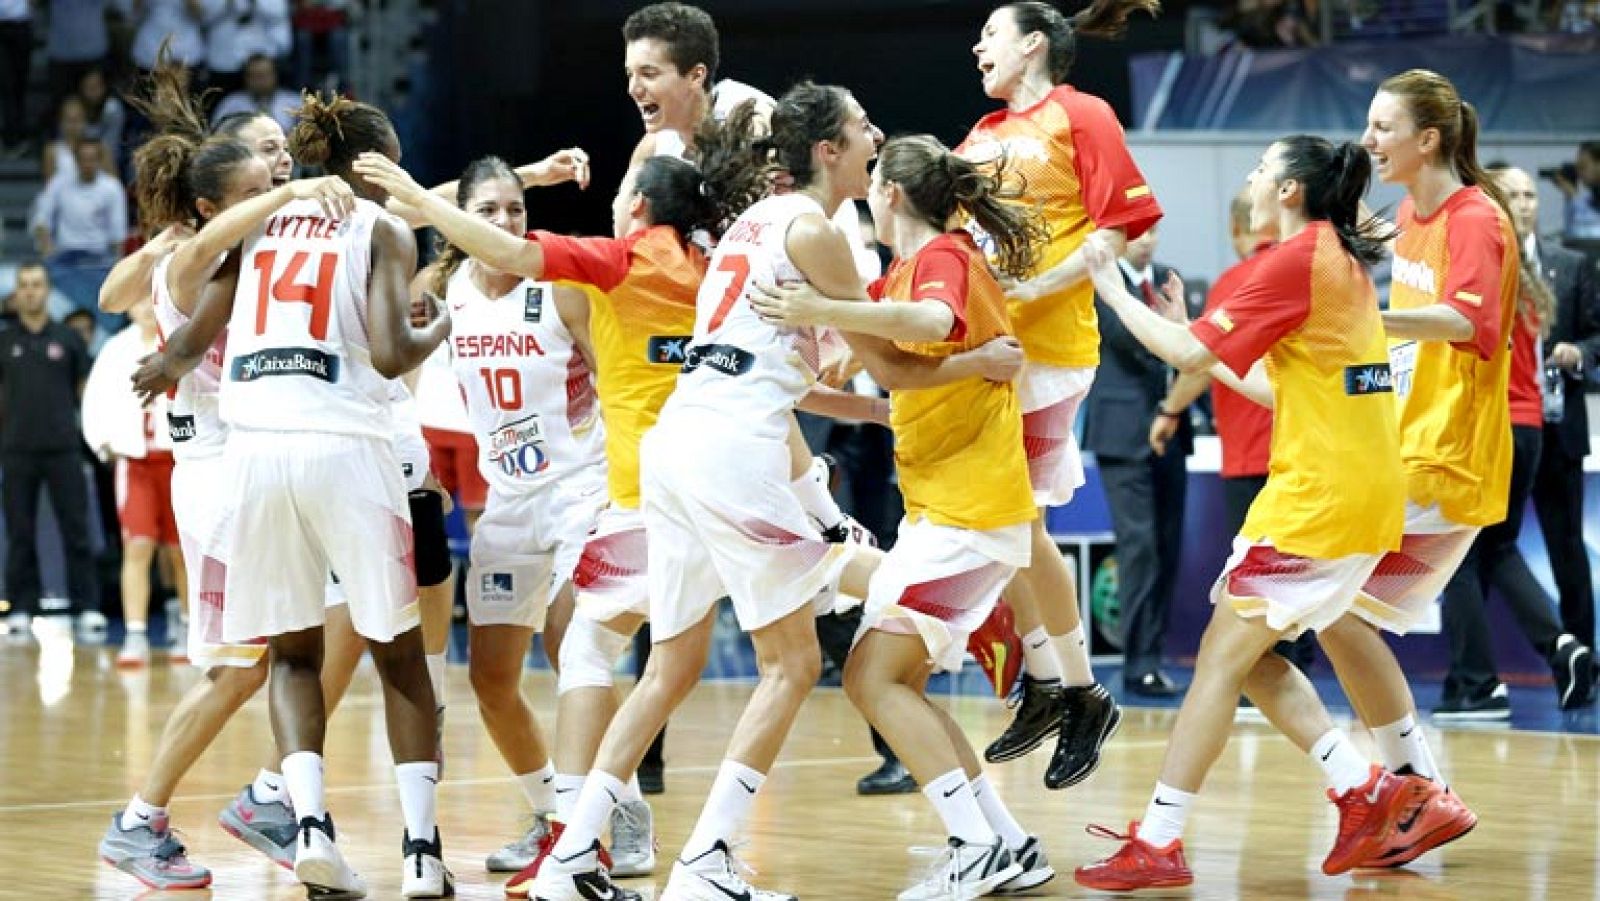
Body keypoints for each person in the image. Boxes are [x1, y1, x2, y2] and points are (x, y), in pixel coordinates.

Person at [353, 106, 785, 896]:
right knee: (490, 680)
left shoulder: (563, 289)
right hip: (508, 502)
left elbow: (623, 371)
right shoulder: (442, 287)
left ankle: (599, 821)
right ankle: (559, 811)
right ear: (465, 222)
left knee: (574, 642)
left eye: (515, 210)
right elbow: (398, 237)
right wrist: (417, 451)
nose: (506, 220)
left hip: (585, 488)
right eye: (490, 210)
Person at [525, 80, 889, 901]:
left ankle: (570, 856)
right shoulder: (817, 229)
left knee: (672, 665)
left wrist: (865, 408)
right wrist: (958, 353)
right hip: (731, 450)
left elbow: (787, 378)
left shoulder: (750, 229)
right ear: (827, 150)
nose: (877, 135)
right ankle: (705, 861)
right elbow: (887, 351)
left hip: (680, 443)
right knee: (792, 662)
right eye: (865, 126)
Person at [1072, 136, 1419, 892]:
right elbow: (1280, 388)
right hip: (1350, 490)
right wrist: (1191, 325)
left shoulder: (1293, 260)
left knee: (1220, 659)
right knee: (1253, 660)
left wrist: (1114, 292)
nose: (1253, 177)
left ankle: (1159, 840)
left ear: (1290, 189)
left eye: (1264, 168)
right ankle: (1364, 788)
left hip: (1320, 499)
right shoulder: (1334, 259)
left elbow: (1185, 355)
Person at [749, 133, 1052, 897]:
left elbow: (926, 322)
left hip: (973, 511)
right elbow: (884, 369)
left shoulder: (942, 258)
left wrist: (823, 304)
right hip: (946, 510)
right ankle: (1005, 843)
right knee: (891, 680)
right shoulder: (897, 277)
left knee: (871, 676)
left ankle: (977, 843)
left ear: (888, 193)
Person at [166, 92, 450, 898]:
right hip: (347, 450)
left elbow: (197, 331)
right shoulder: (383, 227)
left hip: (254, 454)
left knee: (292, 654)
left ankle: (314, 826)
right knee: (400, 658)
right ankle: (422, 853)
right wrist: (443, 326)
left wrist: (168, 363)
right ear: (372, 163)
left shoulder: (255, 222)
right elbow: (394, 355)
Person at [958, 0, 1161, 787]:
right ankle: (1054, 683)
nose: (978, 46)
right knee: (999, 519)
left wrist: (1029, 285)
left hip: (1051, 349)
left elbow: (1118, 232)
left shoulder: (1083, 114)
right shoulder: (979, 136)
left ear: (1033, 44)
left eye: (992, 33)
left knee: (1011, 519)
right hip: (987, 347)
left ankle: (1074, 688)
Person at [1436, 164, 1597, 717]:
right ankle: (1560, 648)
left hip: (1495, 424)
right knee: (1494, 548)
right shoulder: (1519, 270)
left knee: (1461, 552)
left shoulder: (1489, 265)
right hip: (1525, 424)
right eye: (1516, 194)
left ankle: (1478, 685)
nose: (1527, 202)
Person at [1082, 223, 1190, 696]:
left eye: (1153, 231)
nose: (1146, 240)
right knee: (1138, 546)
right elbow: (1133, 340)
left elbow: (1192, 352)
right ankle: (1137, 662)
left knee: (1167, 546)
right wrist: (1175, 329)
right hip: (1122, 433)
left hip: (1173, 429)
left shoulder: (1168, 279)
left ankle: (1155, 655)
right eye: (1136, 232)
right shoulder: (1104, 284)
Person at [81, 297, 185, 667]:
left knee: (180, 552)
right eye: (136, 298)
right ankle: (136, 634)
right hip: (134, 463)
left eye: (149, 297)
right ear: (127, 306)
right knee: (137, 547)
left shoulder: (180, 339)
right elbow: (94, 400)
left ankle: (187, 630)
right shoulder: (115, 349)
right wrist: (103, 444)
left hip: (178, 461)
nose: (143, 305)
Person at [1526, 165, 1600, 657]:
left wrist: (1580, 351)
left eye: (1530, 194)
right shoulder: (1479, 268)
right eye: (1511, 194)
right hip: (1496, 432)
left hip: (1557, 429)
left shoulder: (1570, 265)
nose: (1523, 203)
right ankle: (1479, 670)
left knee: (1567, 547)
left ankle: (1584, 657)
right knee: (1484, 550)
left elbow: (1598, 335)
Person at [0, 263, 94, 633]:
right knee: (20, 530)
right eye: (24, 285)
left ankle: (86, 606)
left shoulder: (68, 338)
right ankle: (22, 605)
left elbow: (84, 389)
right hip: (16, 449)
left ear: (48, 290)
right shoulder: (4, 342)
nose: (31, 291)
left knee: (76, 528)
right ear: (16, 293)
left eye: (37, 285)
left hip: (64, 448)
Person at [32, 137, 127, 321]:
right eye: (83, 158)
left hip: (98, 261)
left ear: (99, 160)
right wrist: (47, 249)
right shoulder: (59, 183)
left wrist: (117, 271)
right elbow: (41, 219)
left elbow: (118, 235)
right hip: (64, 258)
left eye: (92, 159)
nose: (88, 164)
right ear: (75, 160)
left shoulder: (111, 188)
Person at [210, 54, 300, 134]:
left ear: (275, 75)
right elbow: (215, 133)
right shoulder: (231, 104)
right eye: (254, 76)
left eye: (264, 75)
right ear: (245, 78)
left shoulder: (294, 101)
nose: (260, 81)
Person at [1552, 140, 1600, 241]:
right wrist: (1569, 196)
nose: (1579, 172)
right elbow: (1572, 235)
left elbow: (1592, 234)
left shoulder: (1579, 202)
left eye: (1583, 166)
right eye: (1577, 167)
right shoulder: (1587, 200)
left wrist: (1573, 197)